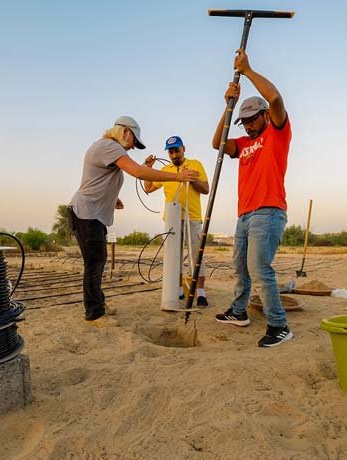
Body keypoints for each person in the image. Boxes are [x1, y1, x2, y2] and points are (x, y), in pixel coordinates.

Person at [69, 116, 199, 321]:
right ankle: (95, 313)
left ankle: (98, 305)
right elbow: (137, 172)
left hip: (92, 212)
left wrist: (112, 199)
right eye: (133, 142)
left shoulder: (106, 147)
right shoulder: (109, 146)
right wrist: (178, 177)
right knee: (95, 263)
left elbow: (98, 179)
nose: (131, 148)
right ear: (125, 132)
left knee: (98, 260)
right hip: (87, 213)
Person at [212, 49, 293, 347]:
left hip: (268, 211)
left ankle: (279, 325)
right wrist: (228, 107)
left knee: (260, 269)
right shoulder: (244, 142)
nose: (246, 125)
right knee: (240, 267)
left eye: (250, 119)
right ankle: (238, 311)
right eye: (242, 121)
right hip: (244, 214)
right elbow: (217, 143)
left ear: (264, 116)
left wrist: (247, 71)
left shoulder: (277, 133)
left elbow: (275, 100)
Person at [143, 136, 210, 307]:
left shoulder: (195, 164)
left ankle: (201, 293)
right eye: (171, 151)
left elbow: (206, 189)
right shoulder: (166, 169)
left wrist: (192, 179)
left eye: (176, 150)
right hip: (172, 219)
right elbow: (148, 188)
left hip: (192, 217)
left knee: (197, 255)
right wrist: (148, 168)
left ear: (183, 149)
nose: (174, 154)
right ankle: (179, 290)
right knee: (175, 257)